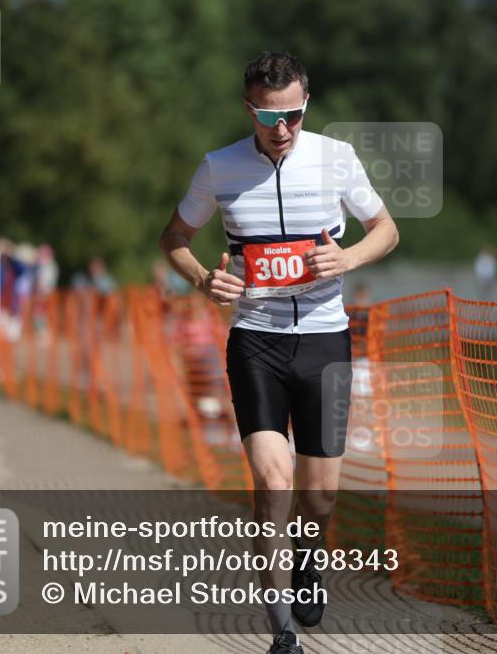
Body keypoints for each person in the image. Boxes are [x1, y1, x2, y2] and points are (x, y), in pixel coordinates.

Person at [160, 52, 398, 654]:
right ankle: (282, 631)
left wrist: (345, 259)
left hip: (326, 340)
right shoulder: (219, 168)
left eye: (293, 114)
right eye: (270, 117)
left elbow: (387, 231)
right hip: (256, 342)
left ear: (306, 105)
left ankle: (311, 558)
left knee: (318, 498)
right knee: (272, 481)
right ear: (249, 110)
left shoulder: (336, 158)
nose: (283, 128)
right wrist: (202, 281)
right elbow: (175, 240)